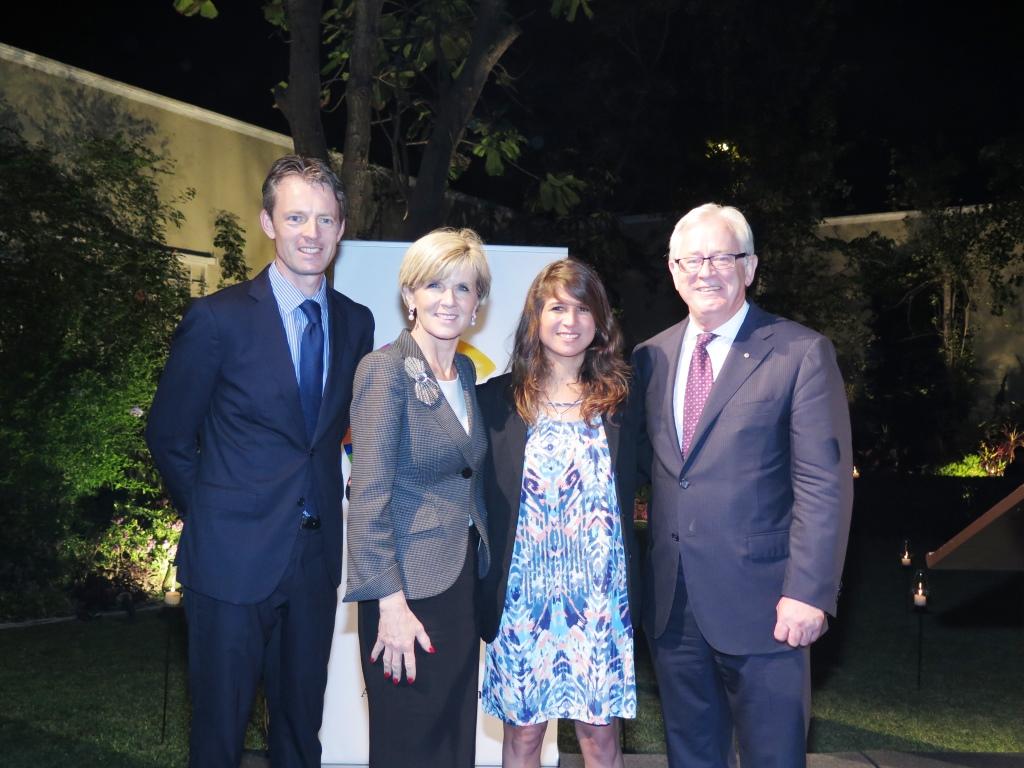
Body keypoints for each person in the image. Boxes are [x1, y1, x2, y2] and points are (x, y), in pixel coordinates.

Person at [145, 155, 374, 767]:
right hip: (229, 565)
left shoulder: (356, 323)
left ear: (342, 228)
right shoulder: (216, 320)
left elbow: (330, 435)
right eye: (296, 216)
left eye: (325, 219)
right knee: (219, 734)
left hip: (316, 560)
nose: (311, 233)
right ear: (268, 223)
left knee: (301, 731)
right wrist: (215, 514)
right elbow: (168, 435)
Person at [632, 203, 853, 768]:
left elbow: (823, 484)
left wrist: (809, 592)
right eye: (690, 260)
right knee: (692, 755)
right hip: (674, 608)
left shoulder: (800, 353)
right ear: (673, 271)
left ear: (750, 267)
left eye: (721, 257)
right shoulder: (649, 358)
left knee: (773, 757)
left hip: (768, 606)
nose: (705, 271)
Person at [478, 259, 641, 768]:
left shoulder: (624, 402)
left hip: (599, 600)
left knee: (599, 740)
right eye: (556, 307)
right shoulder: (495, 401)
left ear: (599, 322)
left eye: (582, 308)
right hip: (522, 598)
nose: (569, 320)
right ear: (536, 317)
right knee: (524, 738)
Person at [343, 227, 492, 768]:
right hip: (406, 596)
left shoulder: (467, 372)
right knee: (409, 745)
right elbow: (368, 494)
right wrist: (389, 603)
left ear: (478, 304)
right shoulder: (384, 370)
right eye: (434, 285)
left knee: (453, 741)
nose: (448, 301)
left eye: (463, 288)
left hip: (459, 588)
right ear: (409, 295)